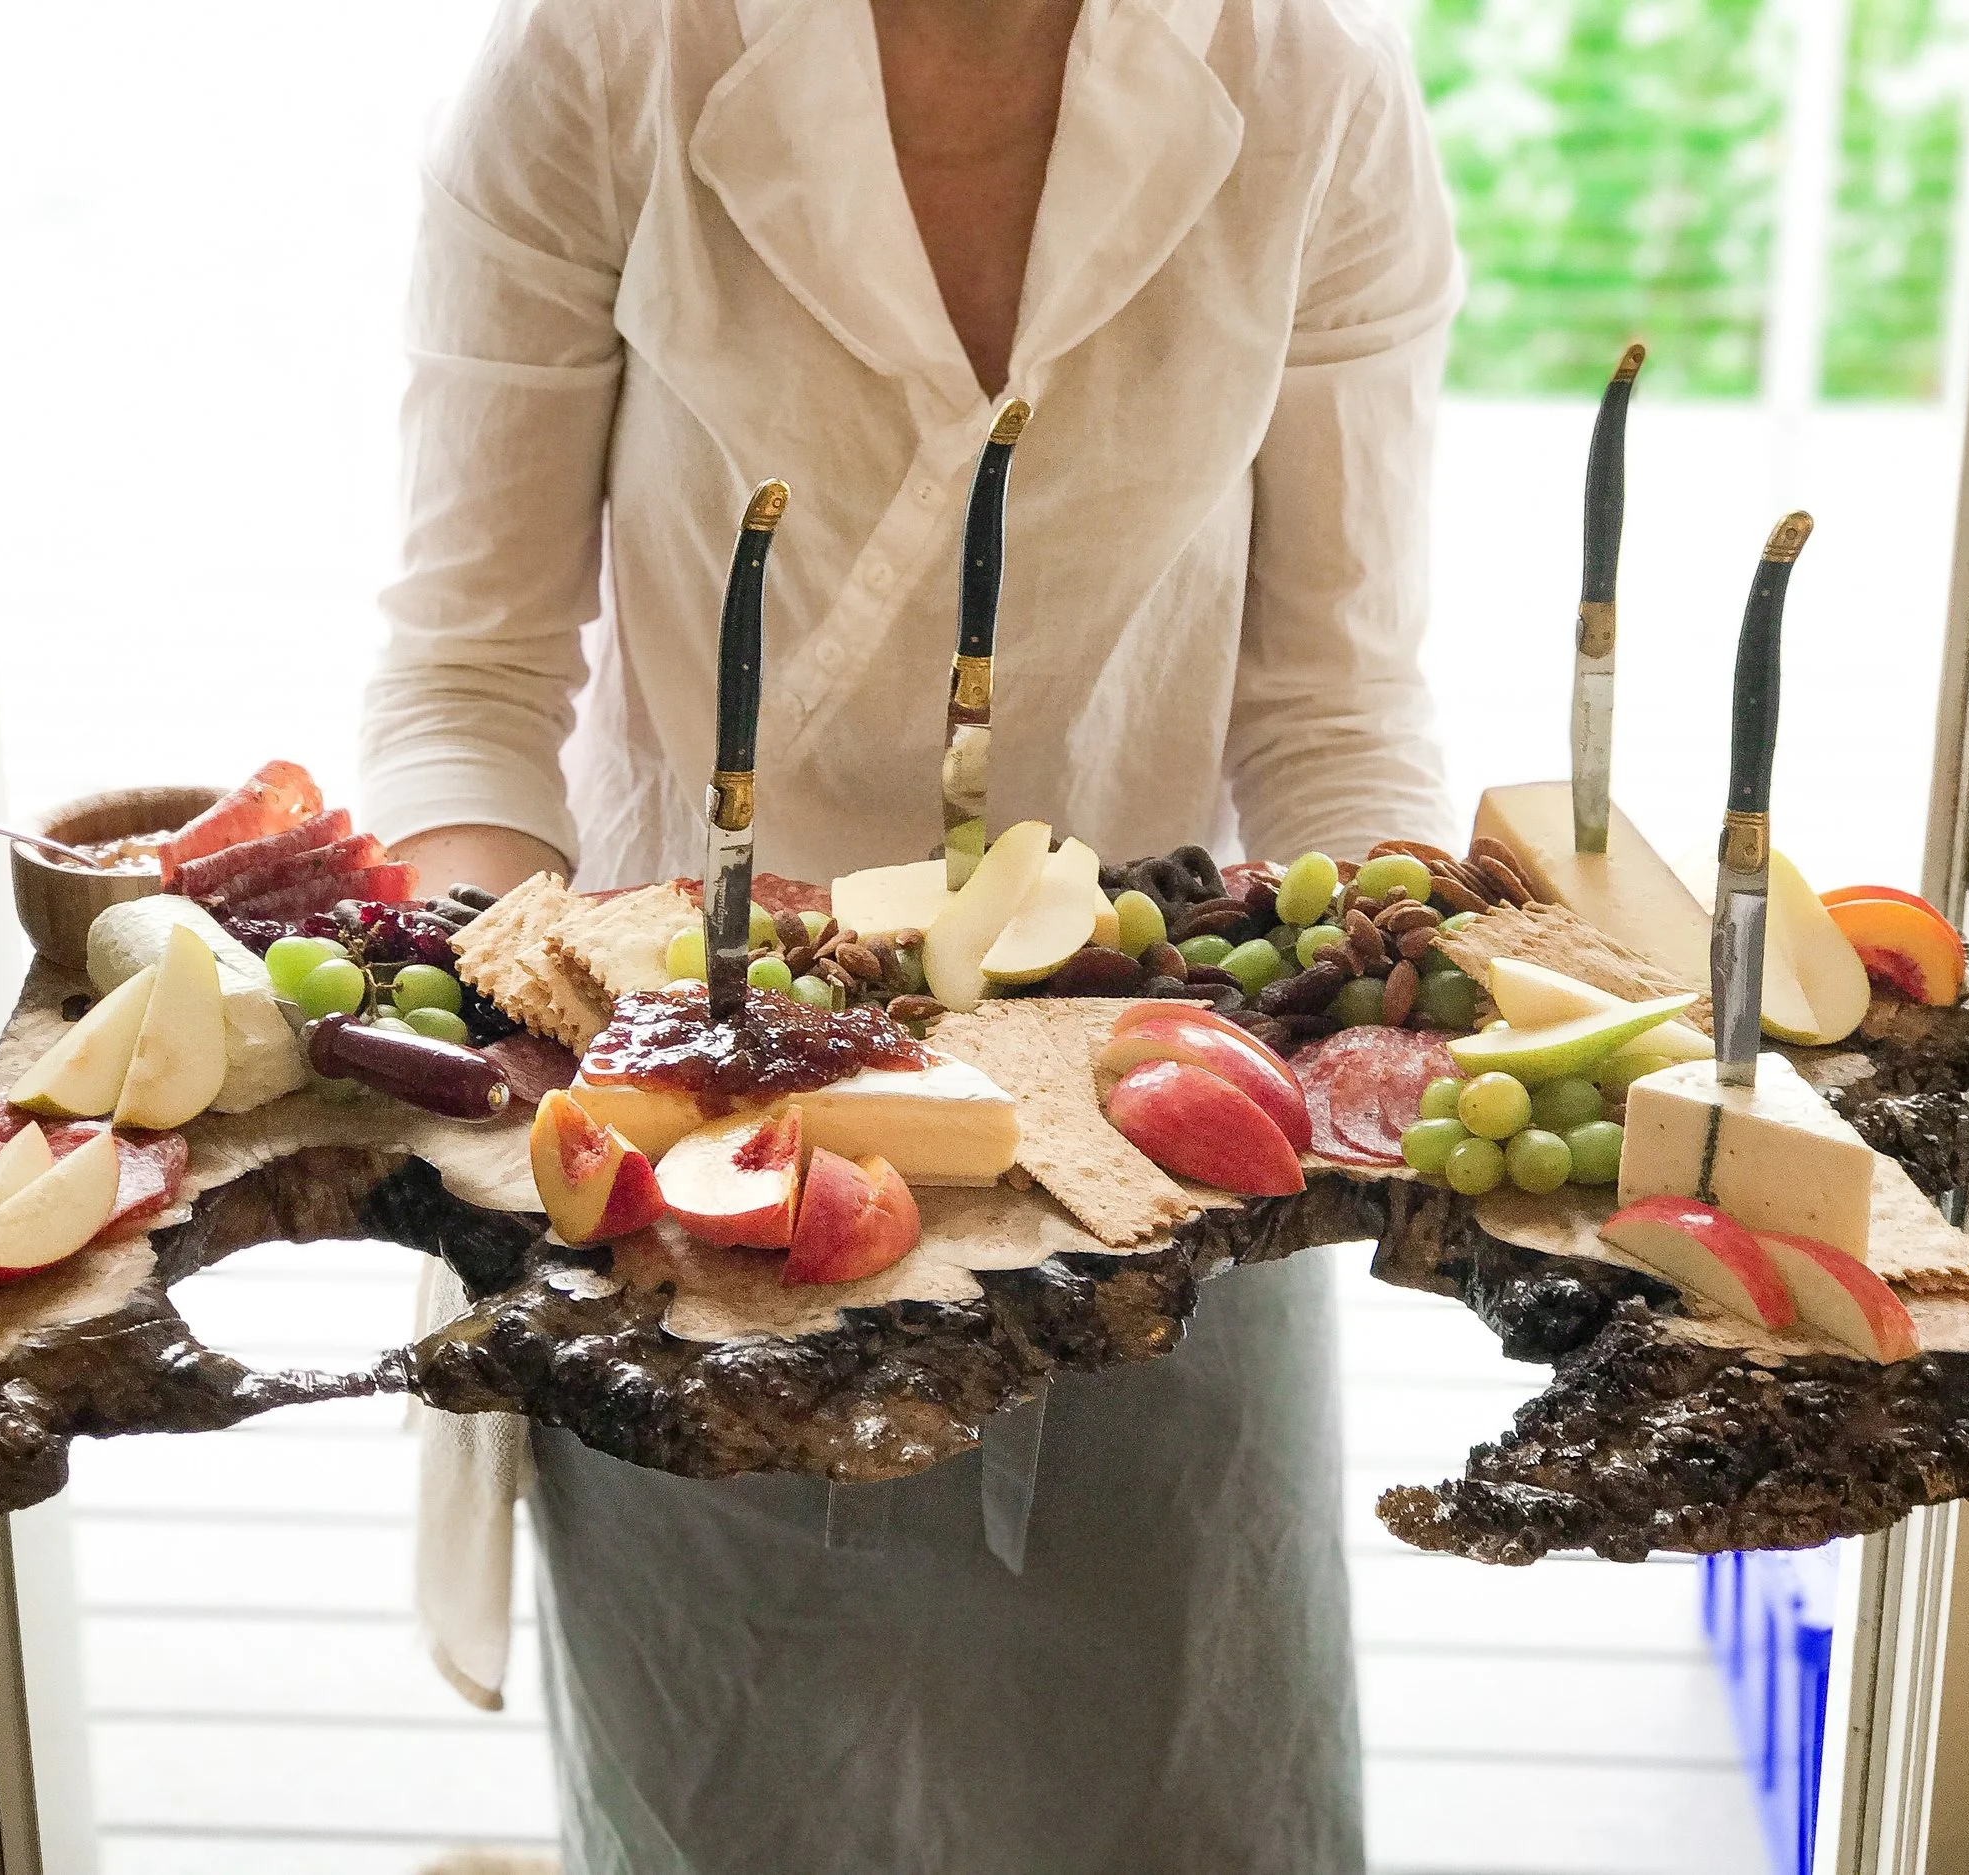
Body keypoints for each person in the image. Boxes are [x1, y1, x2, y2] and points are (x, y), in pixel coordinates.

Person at [361, 0, 1461, 1866]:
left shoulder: (1314, 86)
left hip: (1156, 1139)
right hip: (689, 1154)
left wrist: (1402, 1005)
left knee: (1187, 1800)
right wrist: (531, 1024)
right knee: (737, 1808)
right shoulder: (600, 57)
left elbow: (1335, 709)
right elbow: (468, 675)